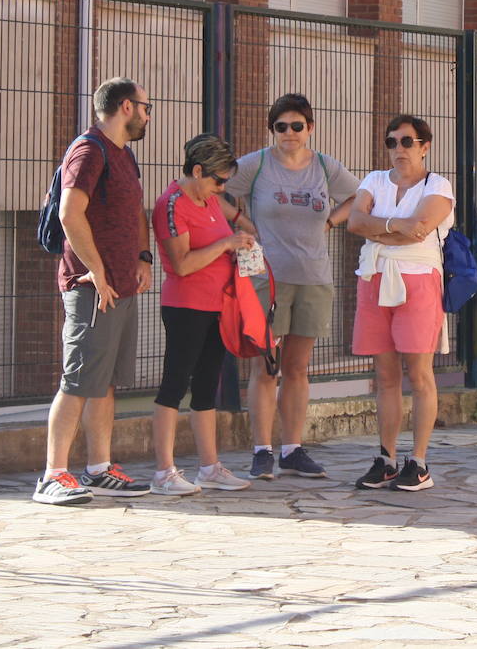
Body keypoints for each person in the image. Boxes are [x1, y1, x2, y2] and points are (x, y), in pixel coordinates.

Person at [223, 94, 359, 481]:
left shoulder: (324, 166)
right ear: (272, 130)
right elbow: (215, 189)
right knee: (267, 366)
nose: (289, 133)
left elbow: (358, 195)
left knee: (298, 369)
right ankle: (262, 450)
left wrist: (331, 222)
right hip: (268, 278)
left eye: (297, 126)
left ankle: (292, 449)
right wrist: (241, 221)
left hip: (314, 277)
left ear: (310, 128)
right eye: (281, 126)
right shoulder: (256, 164)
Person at [33, 77, 153, 505]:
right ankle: (53, 474)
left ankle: (100, 469)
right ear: (125, 107)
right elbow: (69, 213)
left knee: (104, 383)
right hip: (91, 288)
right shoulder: (88, 151)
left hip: (120, 285)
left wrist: (143, 256)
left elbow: (136, 209)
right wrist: (97, 272)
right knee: (78, 379)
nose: (147, 114)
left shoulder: (125, 155)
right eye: (145, 106)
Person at [347, 115, 454, 492]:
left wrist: (380, 228)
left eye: (407, 142)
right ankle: (387, 458)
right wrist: (395, 227)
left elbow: (421, 229)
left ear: (425, 146)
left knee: (420, 374)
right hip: (374, 279)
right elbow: (354, 223)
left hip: (419, 281)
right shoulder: (374, 179)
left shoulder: (437, 184)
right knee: (386, 376)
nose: (398, 149)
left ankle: (420, 461)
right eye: (392, 142)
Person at [148, 135, 256, 496]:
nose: (222, 188)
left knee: (208, 385)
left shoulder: (210, 198)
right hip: (186, 306)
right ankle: (164, 470)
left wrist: (243, 236)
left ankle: (209, 467)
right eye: (218, 180)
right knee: (175, 384)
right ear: (197, 171)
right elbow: (181, 264)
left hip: (218, 305)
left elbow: (236, 221)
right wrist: (225, 244)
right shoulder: (172, 204)